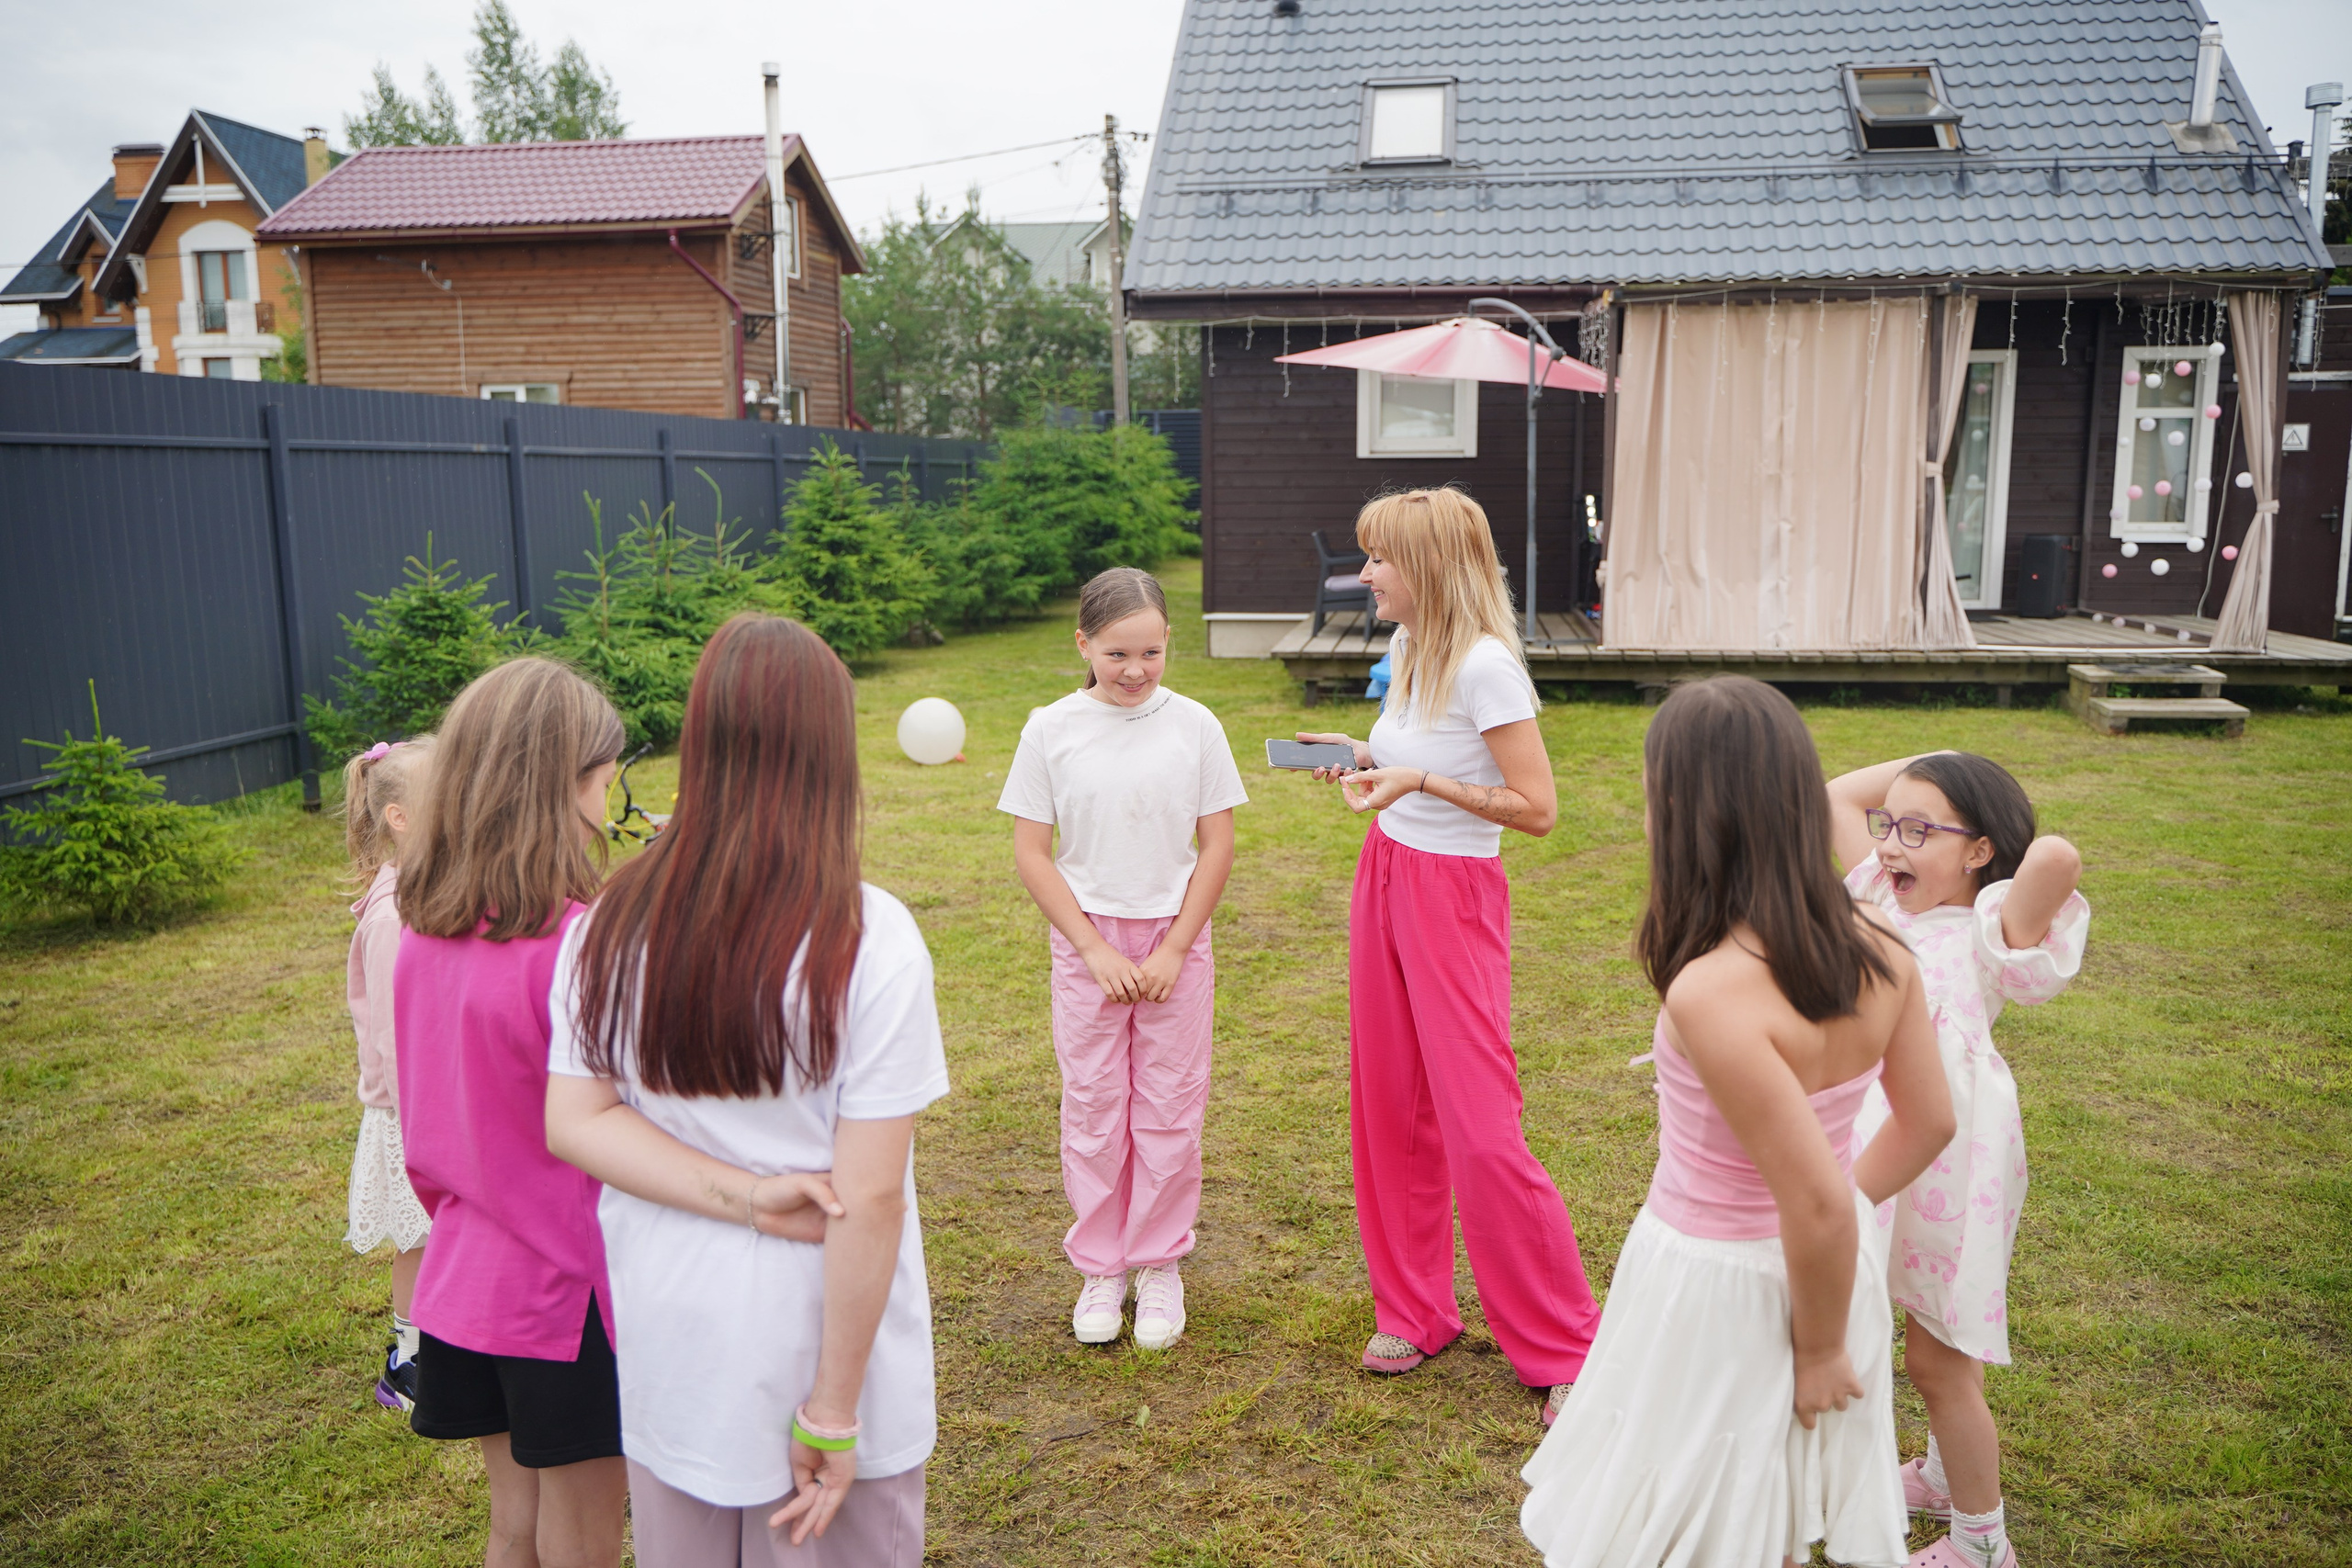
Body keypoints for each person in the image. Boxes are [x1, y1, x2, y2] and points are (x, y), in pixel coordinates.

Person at [1520, 676, 1956, 1568]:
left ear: (1688, 815)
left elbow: (1818, 1206)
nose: (1643, 821)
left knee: (1685, 1516)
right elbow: (1928, 1125)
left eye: (1649, 799)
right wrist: (1836, 1226)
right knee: (1761, 1505)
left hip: (1724, 1290)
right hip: (1822, 1272)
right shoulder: (1881, 941)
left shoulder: (1711, 992)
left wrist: (1818, 1347)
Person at [546, 614, 950, 1567]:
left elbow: (579, 1117)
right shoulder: (870, 935)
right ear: (832, 750)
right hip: (825, 1351)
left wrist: (743, 1200)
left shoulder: (607, 922)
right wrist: (836, 1410)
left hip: (675, 1346)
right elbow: (872, 1195)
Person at [1297, 487, 1600, 1424]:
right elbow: (1414, 760)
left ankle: (1564, 1346)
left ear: (1424, 566)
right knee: (1391, 1104)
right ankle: (1416, 1310)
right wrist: (1358, 755)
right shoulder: (1407, 647)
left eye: (1377, 558)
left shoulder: (1485, 666)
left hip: (1454, 897)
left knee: (1479, 1125)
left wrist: (1421, 778)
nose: (1363, 575)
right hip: (1385, 874)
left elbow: (1537, 809)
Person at [394, 658, 628, 1568]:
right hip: (566, 1290)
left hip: (466, 1273)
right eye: (607, 785)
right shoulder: (579, 941)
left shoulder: (421, 931)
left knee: (514, 1528)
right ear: (563, 790)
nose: (611, 808)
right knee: (581, 1538)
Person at [1827, 752, 2087, 1568]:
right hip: (1875, 1139)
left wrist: (1976, 785)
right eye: (1889, 824)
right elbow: (1834, 792)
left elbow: (2057, 859)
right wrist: (1927, 769)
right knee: (1881, 1304)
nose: (1893, 843)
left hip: (1951, 1161)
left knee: (1938, 1356)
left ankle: (1982, 1542)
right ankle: (1941, 1475)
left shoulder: (1988, 928)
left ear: (1978, 851)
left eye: (1919, 829)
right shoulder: (1875, 889)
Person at [999, 567, 1248, 1350]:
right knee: (1097, 1107)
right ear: (1084, 644)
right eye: (1116, 654)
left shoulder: (1197, 725)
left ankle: (1160, 1261)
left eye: (1150, 652)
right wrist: (1093, 948)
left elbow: (1219, 841)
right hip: (1088, 944)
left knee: (1171, 1106)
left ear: (1169, 642)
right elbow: (1034, 852)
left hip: (1175, 938)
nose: (1135, 670)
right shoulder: (1050, 727)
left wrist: (1175, 943)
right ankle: (1102, 1264)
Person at [338, 734, 435, 1413]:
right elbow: (392, 1034)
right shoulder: (389, 915)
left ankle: (446, 1341)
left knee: (442, 1233)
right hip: (412, 1111)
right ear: (399, 817)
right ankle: (407, 1362)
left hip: (438, 1099)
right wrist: (421, 1117)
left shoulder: (426, 889)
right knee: (420, 1238)